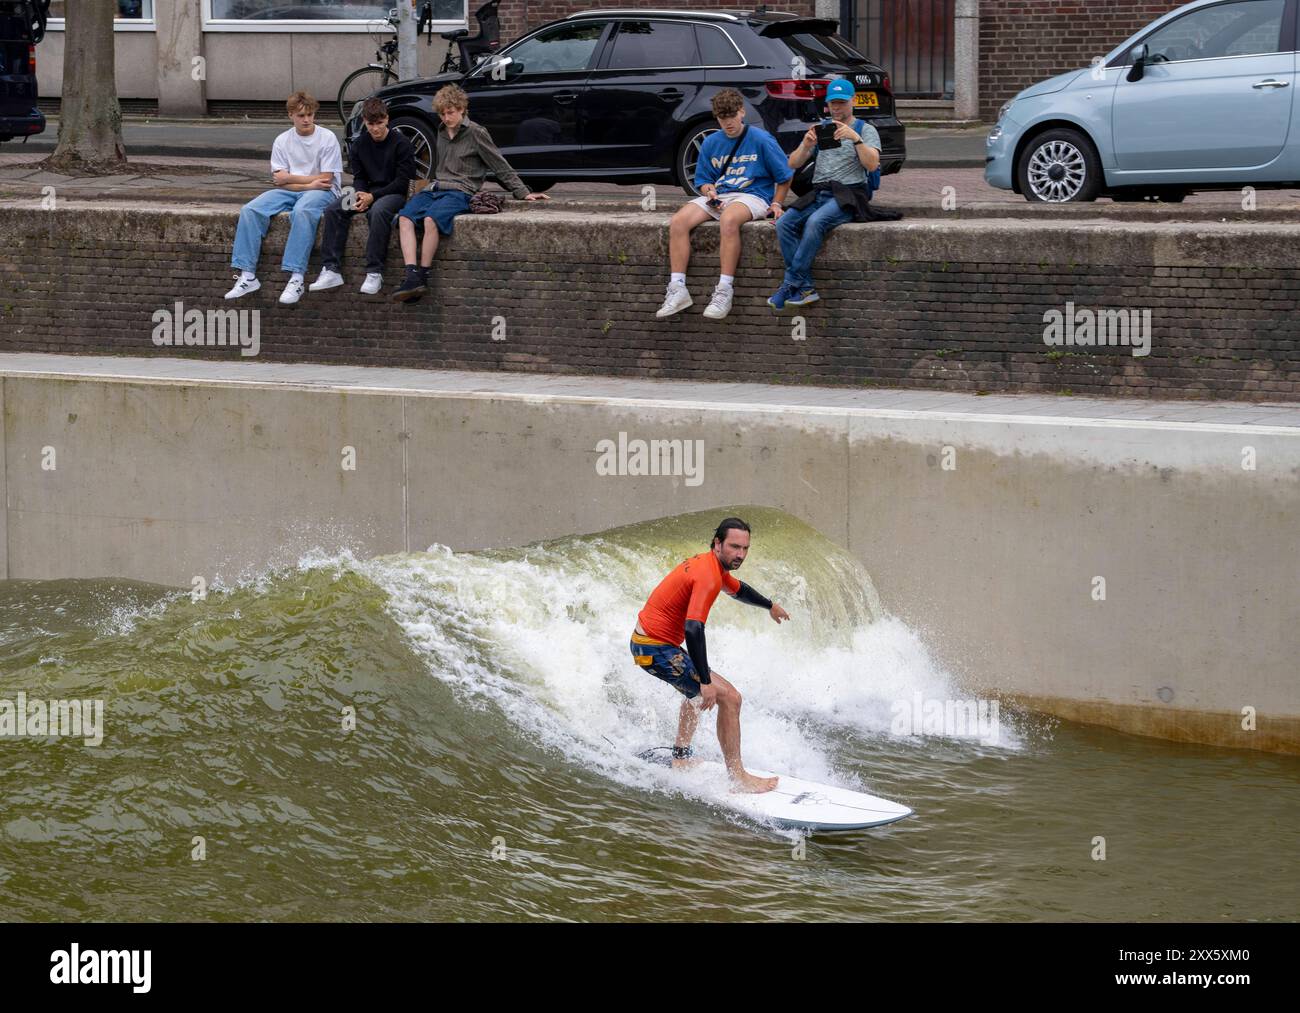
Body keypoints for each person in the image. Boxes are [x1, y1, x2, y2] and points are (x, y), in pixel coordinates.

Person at [630, 517, 791, 794]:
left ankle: (680, 759)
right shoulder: (707, 574)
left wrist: (769, 605)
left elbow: (739, 591)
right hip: (655, 648)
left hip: (652, 644)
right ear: (717, 543)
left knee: (698, 694)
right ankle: (738, 777)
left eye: (745, 548)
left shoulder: (713, 565)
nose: (740, 554)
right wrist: (705, 681)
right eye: (734, 546)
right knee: (729, 697)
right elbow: (693, 628)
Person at [392, 84, 549, 303]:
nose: (447, 118)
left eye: (451, 113)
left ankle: (423, 275)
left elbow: (498, 163)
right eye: (443, 113)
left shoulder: (476, 132)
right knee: (405, 218)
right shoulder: (440, 132)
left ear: (462, 109)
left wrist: (522, 192)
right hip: (436, 188)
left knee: (430, 220)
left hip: (461, 191)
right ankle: (411, 276)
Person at [656, 89, 792, 321]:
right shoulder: (711, 142)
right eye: (722, 118)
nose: (728, 122)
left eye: (731, 116)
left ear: (742, 112)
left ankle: (724, 290)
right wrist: (710, 192)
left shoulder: (761, 139)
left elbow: (785, 175)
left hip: (753, 195)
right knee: (678, 221)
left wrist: (777, 202)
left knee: (729, 219)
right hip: (722, 195)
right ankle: (677, 288)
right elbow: (703, 181)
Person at [769, 78, 883, 311]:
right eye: (833, 103)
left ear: (853, 101)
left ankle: (790, 283)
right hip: (820, 192)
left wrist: (856, 139)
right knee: (784, 224)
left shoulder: (865, 129)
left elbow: (872, 165)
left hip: (850, 193)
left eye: (841, 102)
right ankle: (806, 287)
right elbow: (792, 163)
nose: (837, 108)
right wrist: (806, 145)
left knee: (814, 223)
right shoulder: (823, 129)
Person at [225, 90, 343, 306]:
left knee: (302, 211)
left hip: (323, 192)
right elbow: (279, 181)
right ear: (291, 115)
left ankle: (296, 277)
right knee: (250, 210)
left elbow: (326, 180)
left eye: (309, 114)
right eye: (301, 115)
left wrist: (291, 179)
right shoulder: (282, 140)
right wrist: (306, 182)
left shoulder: (327, 138)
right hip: (295, 189)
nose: (306, 119)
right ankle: (248, 275)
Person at [310, 97, 415, 296]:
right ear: (365, 122)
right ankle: (331, 269)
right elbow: (359, 177)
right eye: (370, 124)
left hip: (393, 193)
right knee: (334, 209)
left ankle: (374, 271)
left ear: (387, 119)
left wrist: (372, 197)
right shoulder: (359, 144)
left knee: (378, 212)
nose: (375, 129)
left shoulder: (402, 144)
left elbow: (403, 182)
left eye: (379, 123)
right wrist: (359, 194)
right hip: (367, 191)